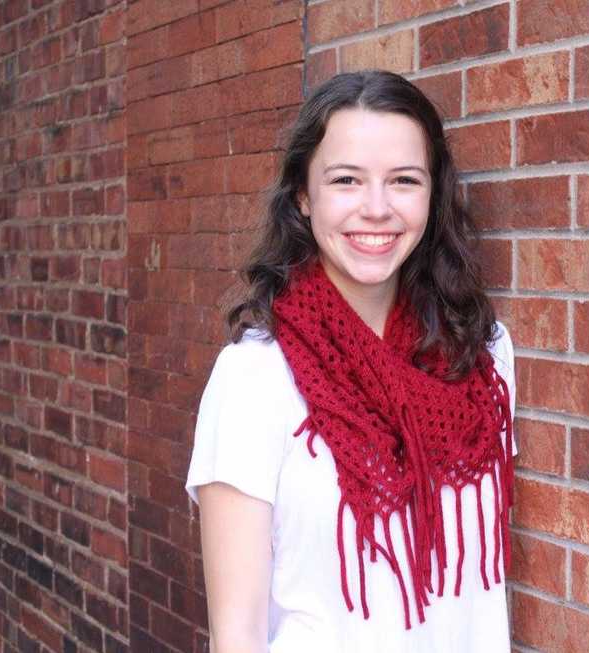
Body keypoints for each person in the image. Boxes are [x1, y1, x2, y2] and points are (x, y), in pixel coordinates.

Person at [184, 70, 517, 653]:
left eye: (404, 180)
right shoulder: (254, 377)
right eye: (346, 180)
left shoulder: (483, 356)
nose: (377, 208)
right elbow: (235, 638)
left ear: (433, 194)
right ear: (303, 196)